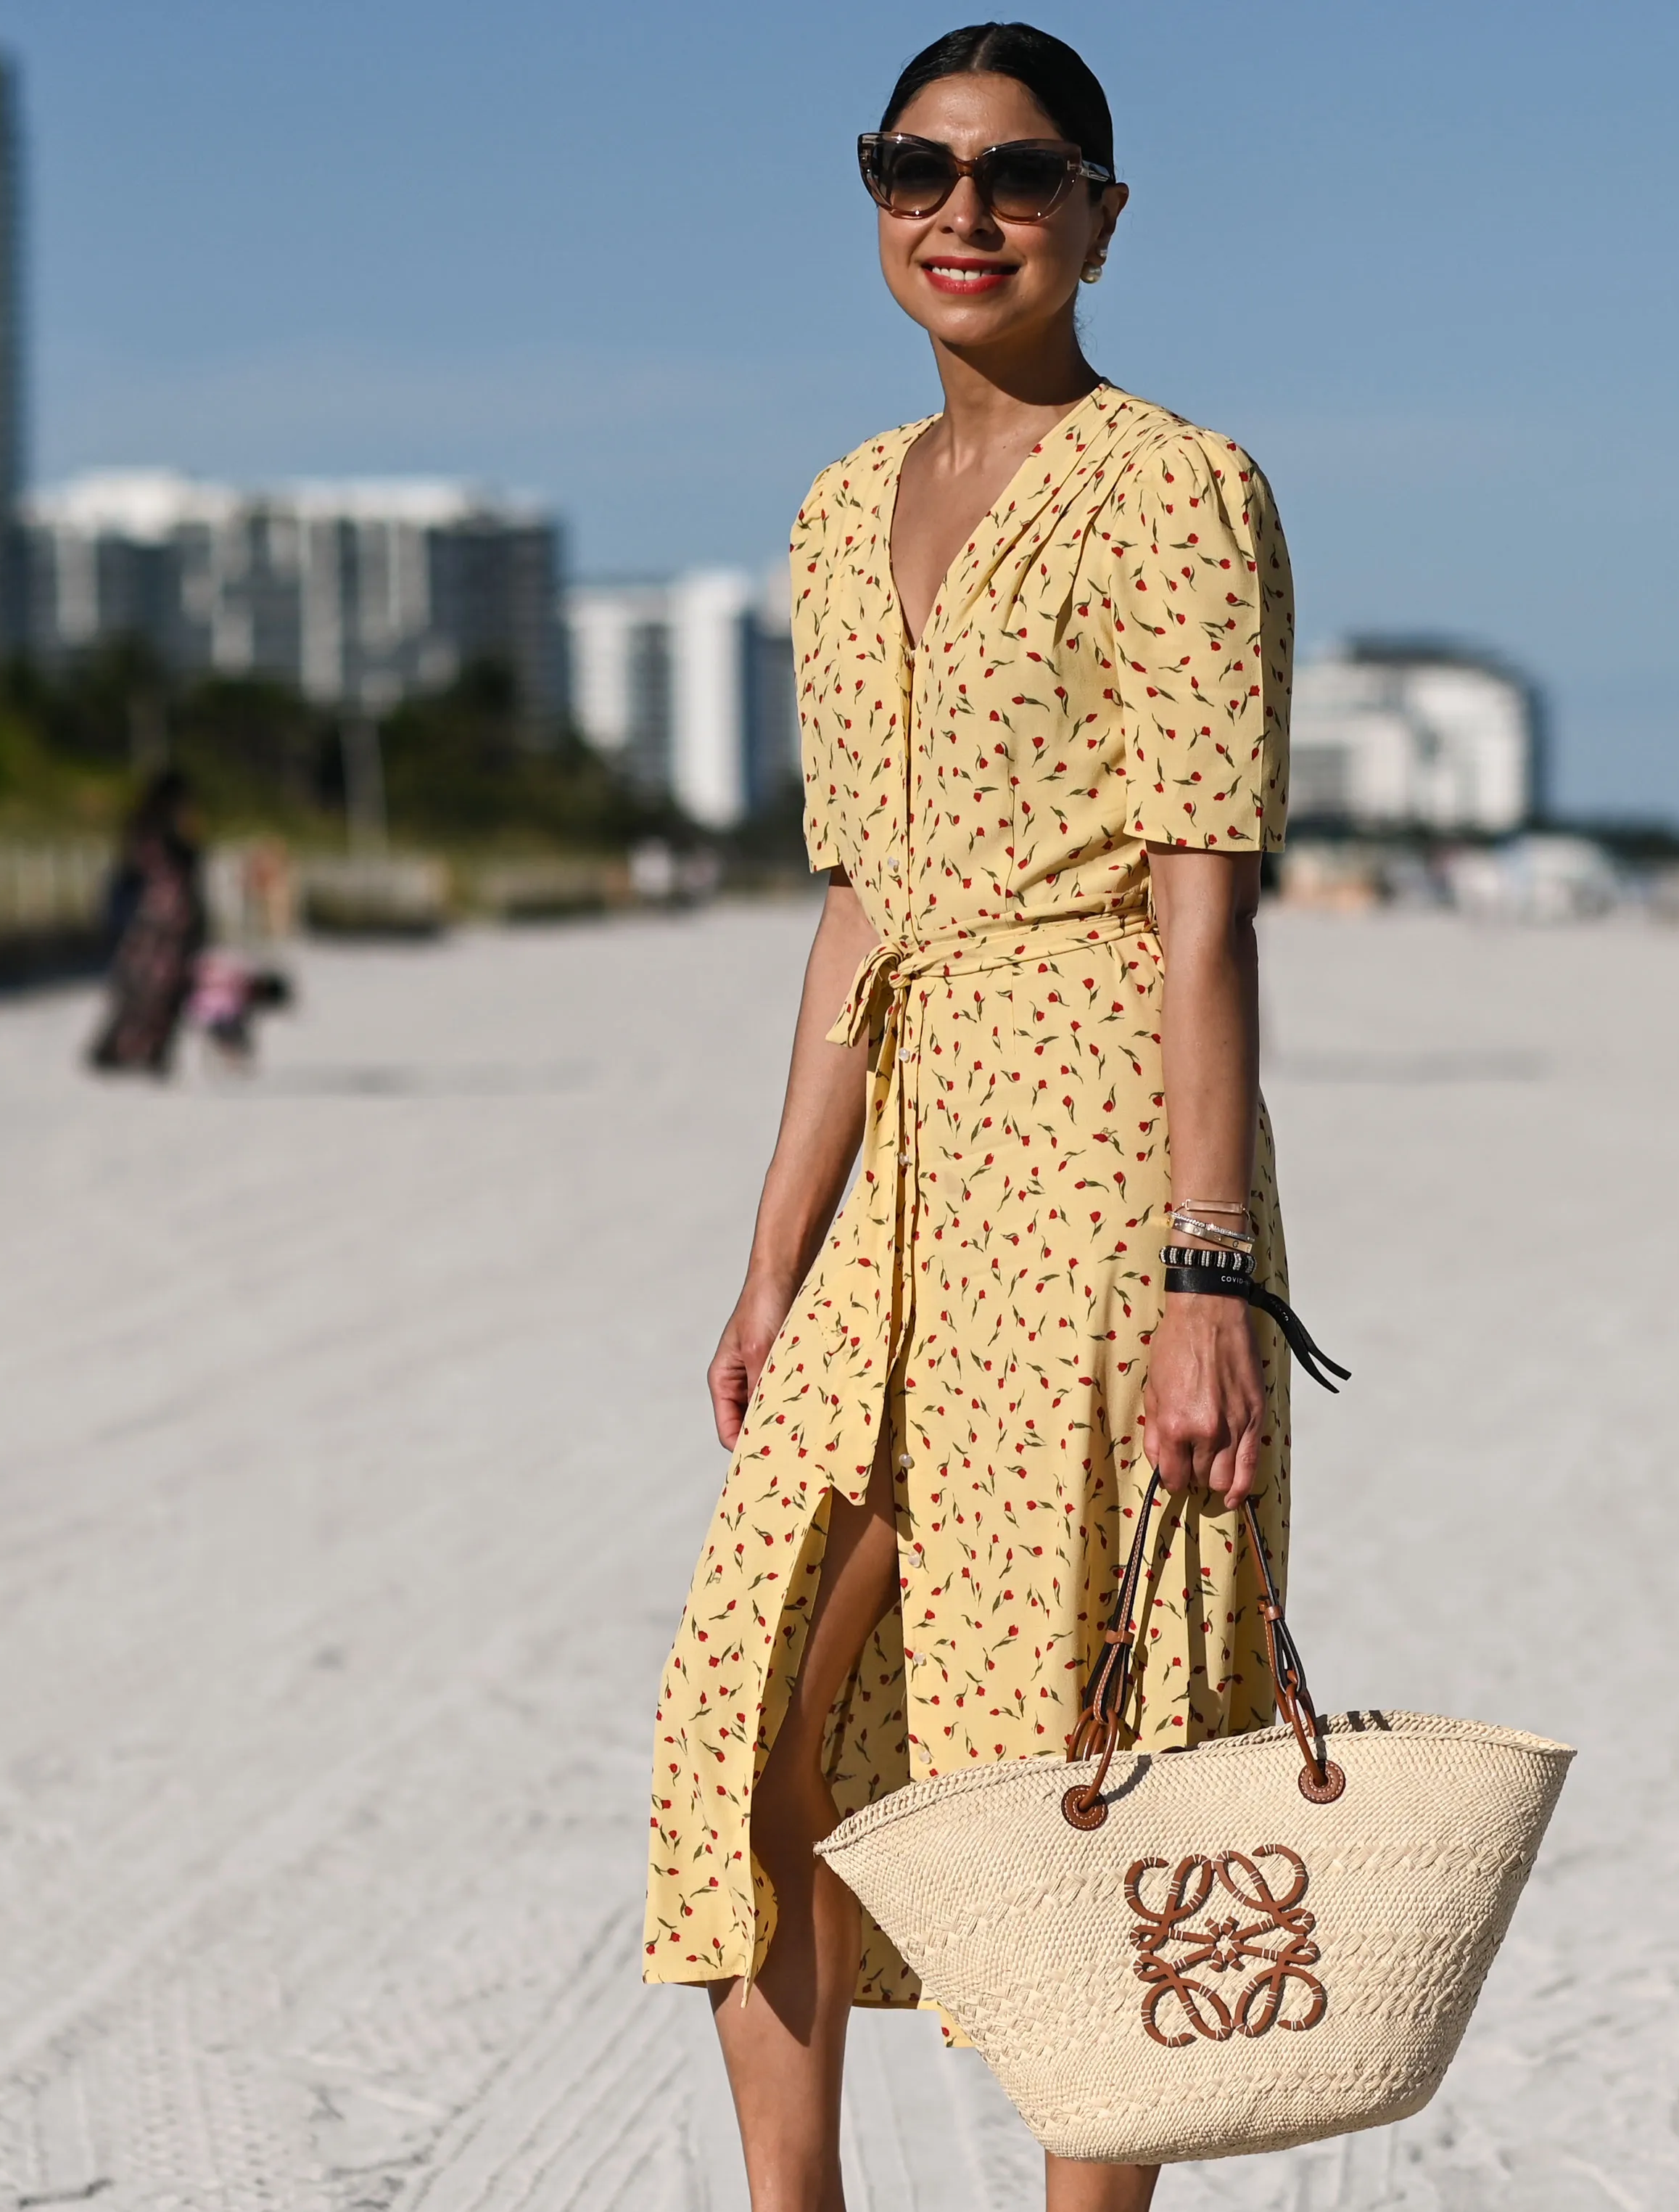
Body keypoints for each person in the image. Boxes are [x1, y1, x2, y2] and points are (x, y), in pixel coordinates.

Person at [640, 25, 1299, 2211]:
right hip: (905, 1164)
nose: (962, 210)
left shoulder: (1175, 486)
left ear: (1099, 214)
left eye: (1017, 175)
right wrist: (771, 1248)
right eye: (912, 167)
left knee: (1069, 1753)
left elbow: (1204, 914)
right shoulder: (836, 513)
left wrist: (1208, 1271)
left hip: (1106, 1155)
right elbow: (856, 912)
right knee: (738, 1719)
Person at [87, 768, 205, 1076]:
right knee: (150, 989)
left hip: (157, 923)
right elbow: (168, 873)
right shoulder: (162, 832)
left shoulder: (143, 828)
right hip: (156, 923)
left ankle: (129, 1049)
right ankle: (136, 1051)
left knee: (146, 989)